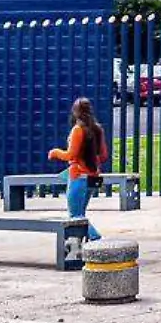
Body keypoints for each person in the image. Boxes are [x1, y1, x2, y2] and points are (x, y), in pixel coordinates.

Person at [47, 97, 107, 242]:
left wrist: (55, 152)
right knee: (81, 212)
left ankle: (94, 238)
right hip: (93, 176)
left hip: (78, 175)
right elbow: (104, 156)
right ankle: (81, 245)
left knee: (75, 216)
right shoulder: (97, 129)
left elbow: (71, 154)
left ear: (75, 112)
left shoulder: (78, 130)